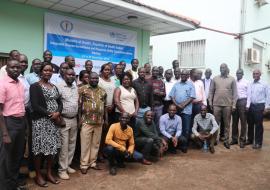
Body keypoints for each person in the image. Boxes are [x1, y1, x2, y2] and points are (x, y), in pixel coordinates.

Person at [30, 63, 63, 187]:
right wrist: (51, 114)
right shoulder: (35, 86)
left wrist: (58, 112)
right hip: (41, 122)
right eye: (45, 70)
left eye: (50, 70)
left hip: (53, 123)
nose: (48, 72)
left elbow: (60, 102)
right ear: (41, 71)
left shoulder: (53, 86)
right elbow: (35, 105)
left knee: (51, 148)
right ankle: (38, 175)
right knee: (39, 149)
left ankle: (49, 173)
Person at [0, 59, 26, 190]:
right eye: (12, 67)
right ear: (6, 69)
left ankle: (13, 184)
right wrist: (4, 133)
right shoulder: (2, 84)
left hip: (21, 122)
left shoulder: (20, 83)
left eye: (18, 67)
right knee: (6, 159)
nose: (16, 69)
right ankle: (4, 187)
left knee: (17, 156)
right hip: (8, 123)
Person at [78, 72, 107, 174]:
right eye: (93, 78)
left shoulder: (103, 91)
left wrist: (105, 120)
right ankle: (84, 164)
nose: (95, 80)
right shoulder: (82, 89)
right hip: (86, 121)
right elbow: (79, 105)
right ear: (89, 79)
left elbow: (105, 106)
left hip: (99, 121)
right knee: (85, 144)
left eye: (96, 78)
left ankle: (93, 163)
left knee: (96, 144)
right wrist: (79, 120)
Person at [208, 63, 238, 149]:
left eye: (224, 67)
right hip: (216, 104)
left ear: (227, 68)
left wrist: (234, 105)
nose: (222, 69)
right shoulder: (215, 79)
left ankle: (226, 140)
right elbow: (211, 91)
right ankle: (214, 140)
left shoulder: (232, 79)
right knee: (215, 123)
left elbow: (235, 94)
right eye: (221, 67)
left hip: (227, 105)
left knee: (227, 124)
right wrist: (210, 102)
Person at [56, 69, 79, 180]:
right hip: (64, 120)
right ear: (64, 75)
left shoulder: (75, 87)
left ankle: (68, 165)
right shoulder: (59, 86)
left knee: (71, 144)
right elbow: (55, 103)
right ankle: (62, 170)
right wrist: (59, 118)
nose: (71, 76)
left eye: (73, 74)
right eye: (69, 74)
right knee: (64, 146)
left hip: (74, 119)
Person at [169, 69, 196, 147]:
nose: (183, 76)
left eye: (185, 75)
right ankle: (176, 144)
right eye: (182, 74)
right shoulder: (176, 84)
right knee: (176, 128)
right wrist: (177, 105)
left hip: (186, 110)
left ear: (188, 76)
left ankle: (184, 145)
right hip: (176, 110)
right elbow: (172, 96)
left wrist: (183, 105)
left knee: (186, 129)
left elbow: (192, 97)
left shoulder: (191, 84)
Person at [246, 69, 269, 149]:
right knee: (250, 124)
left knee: (258, 125)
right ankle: (250, 140)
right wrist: (248, 106)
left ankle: (258, 143)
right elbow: (249, 95)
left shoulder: (264, 84)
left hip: (260, 106)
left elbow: (268, 96)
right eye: (254, 74)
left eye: (257, 73)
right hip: (251, 106)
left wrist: (266, 107)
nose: (255, 75)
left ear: (260, 75)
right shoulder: (250, 84)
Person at [231, 69, 249, 148]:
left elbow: (249, 94)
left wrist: (247, 105)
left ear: (243, 74)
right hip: (235, 102)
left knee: (243, 122)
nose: (238, 74)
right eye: (237, 73)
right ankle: (234, 139)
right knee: (234, 121)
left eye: (240, 73)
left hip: (243, 102)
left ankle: (242, 140)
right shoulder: (234, 82)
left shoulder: (246, 82)